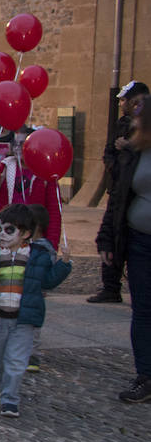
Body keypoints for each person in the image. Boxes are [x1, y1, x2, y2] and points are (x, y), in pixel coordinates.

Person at [0, 203, 71, 418]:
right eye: (1, 229)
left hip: (23, 321)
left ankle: (10, 399)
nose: (2, 234)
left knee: (16, 361)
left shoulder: (38, 257)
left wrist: (64, 263)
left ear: (26, 233)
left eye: (10, 230)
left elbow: (49, 281)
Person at [95, 98, 151, 403]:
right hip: (141, 241)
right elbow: (117, 199)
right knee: (143, 310)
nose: (134, 125)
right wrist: (106, 239)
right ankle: (146, 376)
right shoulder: (134, 154)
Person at [90, 81, 149, 302]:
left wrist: (129, 147)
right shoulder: (122, 124)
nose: (123, 104)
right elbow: (109, 150)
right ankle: (111, 286)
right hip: (120, 189)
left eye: (127, 100)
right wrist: (117, 168)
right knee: (114, 234)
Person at [0, 125, 62, 245]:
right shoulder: (5, 166)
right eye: (15, 143)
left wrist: (51, 245)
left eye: (22, 144)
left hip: (32, 237)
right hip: (5, 235)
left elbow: (54, 213)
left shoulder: (46, 174)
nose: (18, 148)